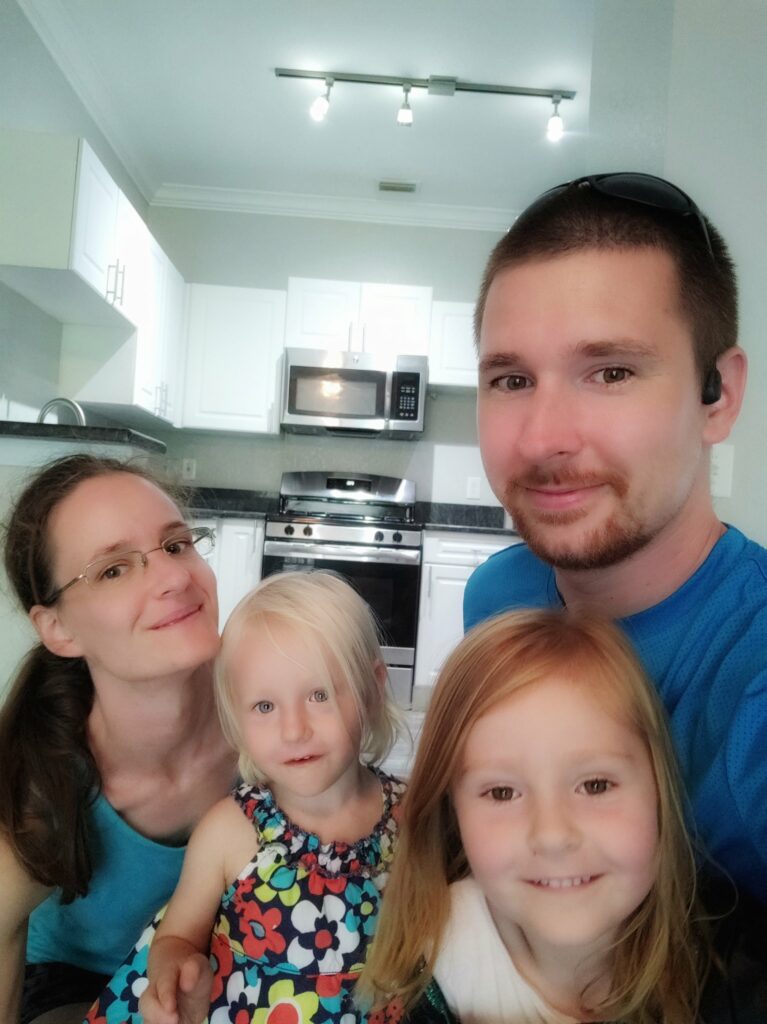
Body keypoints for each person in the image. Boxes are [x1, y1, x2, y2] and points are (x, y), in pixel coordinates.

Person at [463, 172, 767, 904]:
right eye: (511, 380)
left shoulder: (750, 691)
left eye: (610, 372)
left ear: (718, 397)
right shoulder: (497, 598)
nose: (542, 438)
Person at [86, 569, 406, 1024]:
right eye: (265, 706)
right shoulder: (229, 831)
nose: (293, 730)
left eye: (319, 695)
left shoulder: (412, 816)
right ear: (235, 716)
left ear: (372, 689)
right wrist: (176, 972)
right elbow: (177, 936)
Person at [360, 609, 710, 1024]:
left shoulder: (721, 965)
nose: (552, 835)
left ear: (659, 790)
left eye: (595, 785)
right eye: (503, 793)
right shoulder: (433, 970)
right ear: (453, 811)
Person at [0, 453, 237, 1024]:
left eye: (177, 545)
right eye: (113, 570)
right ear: (58, 628)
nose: (175, 578)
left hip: (225, 961)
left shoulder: (271, 707)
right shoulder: (46, 779)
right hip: (77, 980)